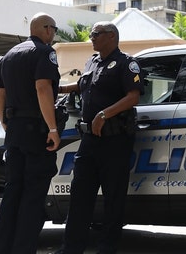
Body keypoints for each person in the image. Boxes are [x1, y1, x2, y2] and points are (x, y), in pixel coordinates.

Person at [55, 21, 143, 254]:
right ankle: (71, 248)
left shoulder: (127, 63)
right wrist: (61, 88)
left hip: (115, 140)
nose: (91, 38)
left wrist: (104, 114)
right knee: (80, 195)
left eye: (95, 34)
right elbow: (84, 85)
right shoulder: (91, 62)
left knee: (113, 198)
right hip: (90, 141)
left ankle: (107, 248)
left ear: (111, 36)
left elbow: (133, 96)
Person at [0, 12, 61, 254]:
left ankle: (1, 249)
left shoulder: (8, 56)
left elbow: (0, 97)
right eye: (54, 29)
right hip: (36, 132)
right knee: (33, 195)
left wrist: (6, 125)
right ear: (46, 29)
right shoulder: (44, 52)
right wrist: (53, 128)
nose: (54, 34)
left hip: (14, 132)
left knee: (12, 192)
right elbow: (43, 88)